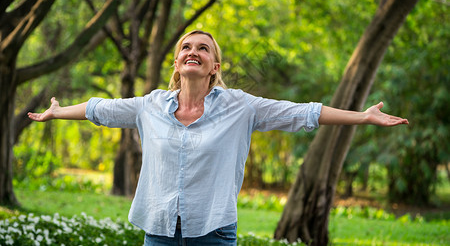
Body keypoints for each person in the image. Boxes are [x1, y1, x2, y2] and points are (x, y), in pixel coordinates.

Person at [28, 30, 408, 245]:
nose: (193, 52)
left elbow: (301, 113)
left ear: (214, 67)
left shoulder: (240, 107)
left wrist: (363, 117)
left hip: (212, 230)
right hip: (158, 231)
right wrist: (59, 111)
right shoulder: (150, 105)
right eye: (186, 48)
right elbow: (101, 109)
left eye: (203, 48)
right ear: (177, 63)